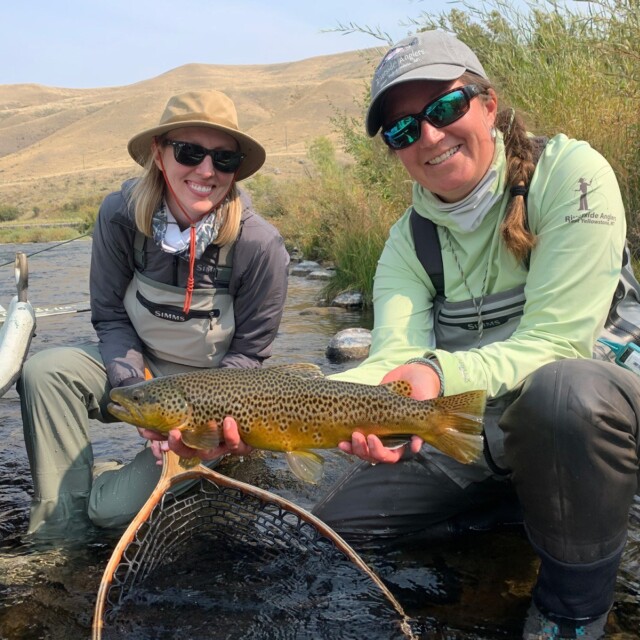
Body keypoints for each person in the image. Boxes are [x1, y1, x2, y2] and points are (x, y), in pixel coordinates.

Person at [190, 32, 639, 640]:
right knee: (329, 534)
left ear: (488, 104)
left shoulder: (570, 176)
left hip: (582, 419)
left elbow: (555, 343)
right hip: (466, 429)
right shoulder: (408, 238)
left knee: (564, 395)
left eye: (445, 108)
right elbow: (391, 360)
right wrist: (263, 412)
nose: (428, 136)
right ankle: (510, 512)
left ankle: (573, 612)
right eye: (402, 130)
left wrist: (437, 373)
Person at [18, 89, 290, 539]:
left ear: (236, 169)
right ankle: (57, 532)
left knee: (108, 511)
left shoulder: (259, 245)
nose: (206, 171)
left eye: (223, 159)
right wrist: (137, 392)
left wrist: (196, 426)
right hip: (136, 370)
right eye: (189, 152)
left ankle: (102, 482)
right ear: (159, 156)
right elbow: (108, 315)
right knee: (46, 371)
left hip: (212, 397)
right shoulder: (120, 216)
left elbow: (249, 358)